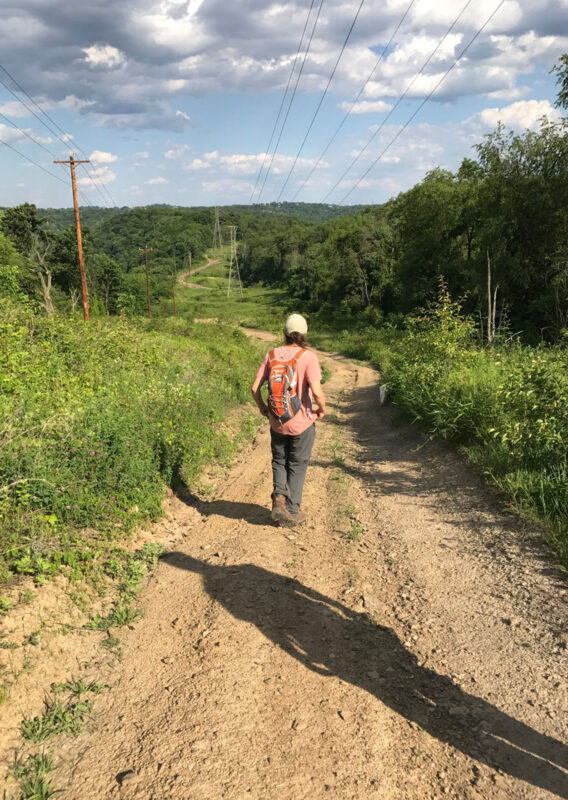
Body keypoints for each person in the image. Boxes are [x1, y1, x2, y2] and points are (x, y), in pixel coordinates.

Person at [251, 314, 326, 527]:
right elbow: (317, 393)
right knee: (297, 464)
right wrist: (321, 409)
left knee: (279, 460)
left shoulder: (272, 354)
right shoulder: (308, 357)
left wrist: (263, 408)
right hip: (301, 422)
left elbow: (254, 388)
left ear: (284, 333)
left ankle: (279, 498)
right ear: (304, 333)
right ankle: (291, 512)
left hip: (277, 421)